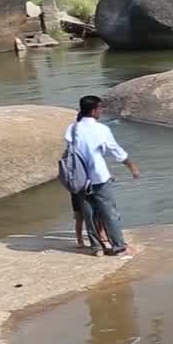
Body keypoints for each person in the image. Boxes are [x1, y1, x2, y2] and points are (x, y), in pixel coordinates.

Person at [65, 95, 141, 256]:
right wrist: (131, 166)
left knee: (89, 214)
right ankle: (119, 246)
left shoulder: (71, 129)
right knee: (109, 213)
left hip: (78, 178)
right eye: (100, 108)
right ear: (93, 111)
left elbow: (72, 153)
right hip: (99, 177)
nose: (101, 111)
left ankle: (96, 247)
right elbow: (116, 151)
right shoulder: (101, 130)